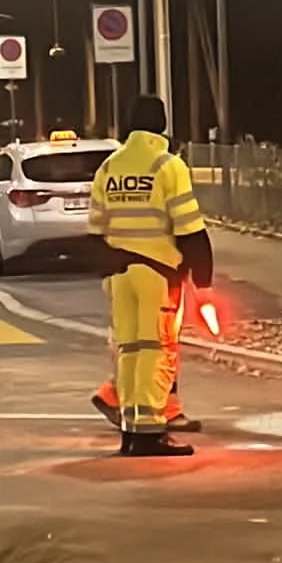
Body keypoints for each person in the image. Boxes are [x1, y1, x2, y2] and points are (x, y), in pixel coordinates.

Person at [88, 95, 214, 457]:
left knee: (128, 350)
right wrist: (203, 280)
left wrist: (106, 270)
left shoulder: (108, 168)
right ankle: (149, 432)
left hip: (118, 275)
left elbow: (95, 230)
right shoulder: (167, 166)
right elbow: (189, 229)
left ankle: (131, 431)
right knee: (155, 351)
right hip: (157, 273)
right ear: (162, 124)